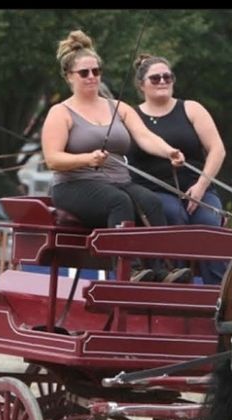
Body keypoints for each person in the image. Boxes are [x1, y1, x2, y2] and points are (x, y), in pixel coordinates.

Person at [40, 30, 187, 281]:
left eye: (96, 71)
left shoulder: (118, 108)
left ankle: (163, 269)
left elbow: (145, 137)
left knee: (151, 202)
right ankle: (127, 269)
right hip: (75, 185)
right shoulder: (60, 112)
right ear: (68, 77)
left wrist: (169, 151)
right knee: (119, 202)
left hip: (118, 181)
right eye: (84, 73)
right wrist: (86, 159)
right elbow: (53, 159)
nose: (91, 77)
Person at [128, 53, 227, 284]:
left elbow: (217, 150)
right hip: (153, 189)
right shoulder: (131, 115)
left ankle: (218, 293)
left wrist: (202, 186)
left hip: (196, 187)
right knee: (174, 215)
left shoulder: (191, 108)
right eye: (155, 78)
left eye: (167, 76)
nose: (163, 81)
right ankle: (177, 282)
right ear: (141, 85)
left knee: (208, 223)